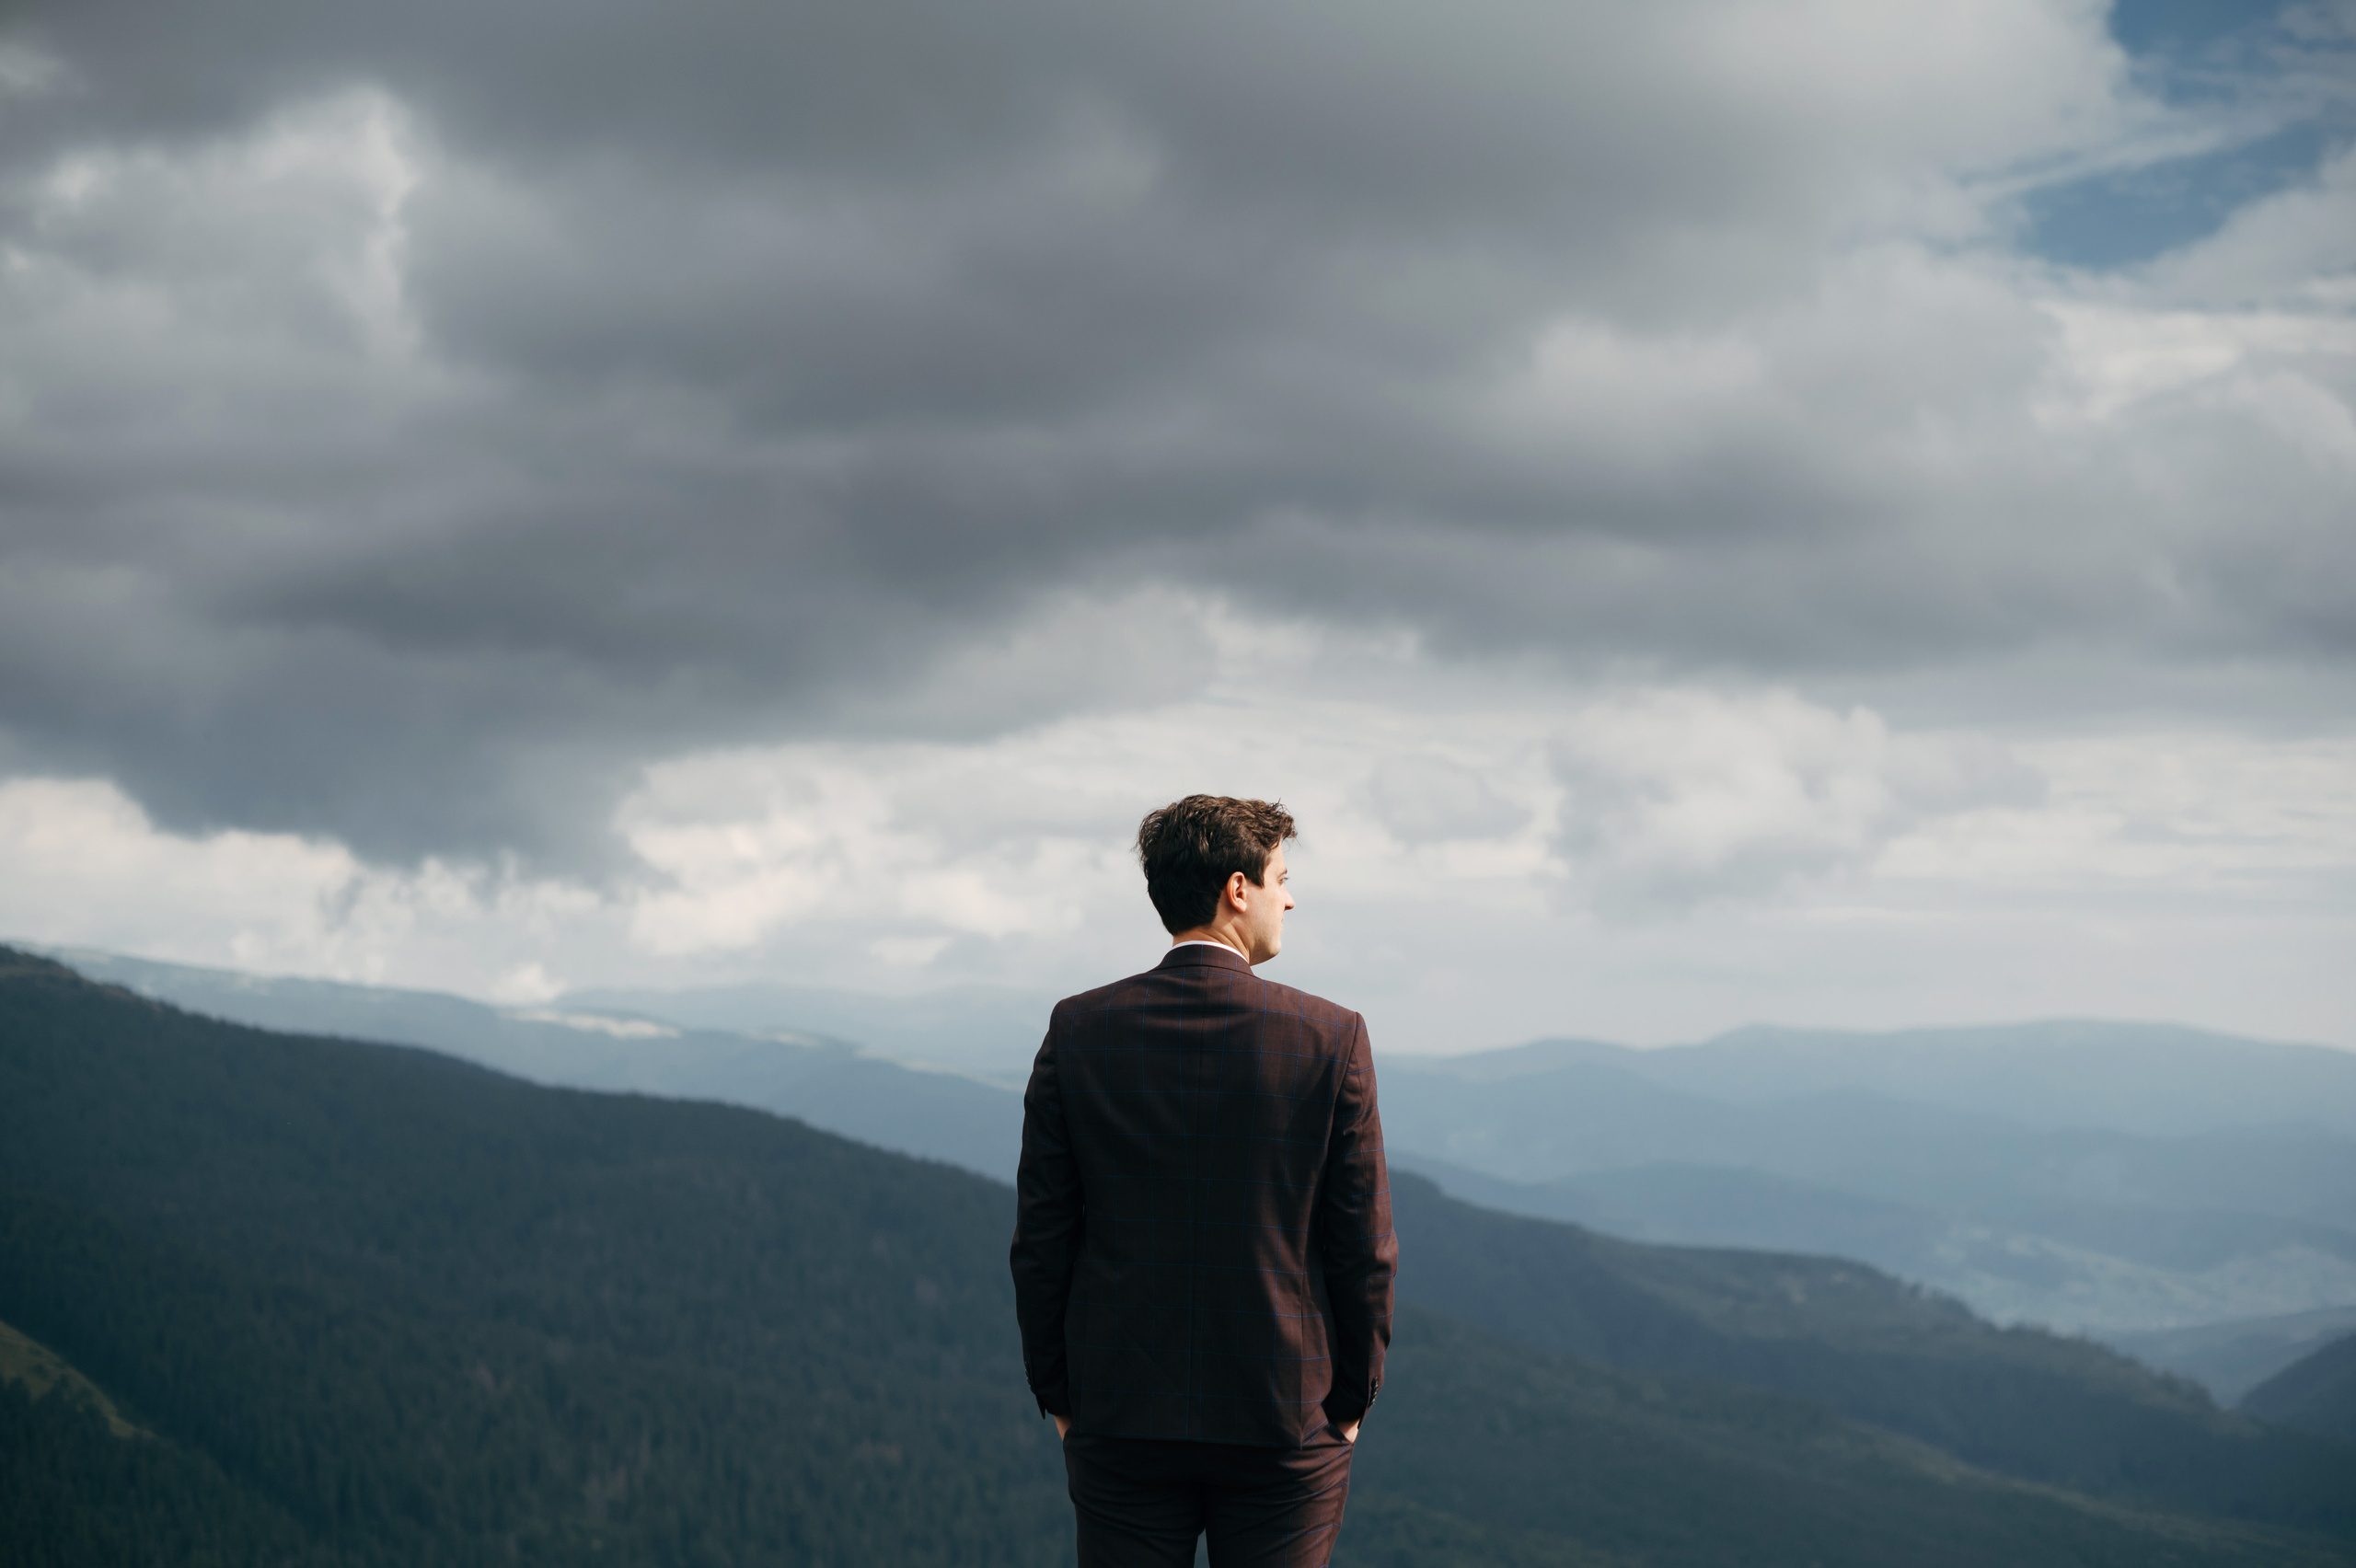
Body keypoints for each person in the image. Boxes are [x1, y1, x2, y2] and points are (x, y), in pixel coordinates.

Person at [1011, 795, 1396, 1567]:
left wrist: (1059, 1394)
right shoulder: (1330, 1036)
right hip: (1286, 1417)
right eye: (1282, 876)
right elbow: (1363, 1248)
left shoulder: (1079, 1029)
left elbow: (1045, 1237)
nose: (1290, 897)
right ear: (1237, 888)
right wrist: (1350, 1402)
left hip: (1121, 1413)